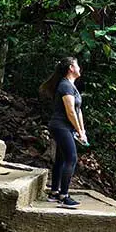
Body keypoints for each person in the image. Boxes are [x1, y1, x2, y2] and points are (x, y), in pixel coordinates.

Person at [39, 56, 87, 208]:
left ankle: (54, 192)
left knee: (61, 159)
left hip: (66, 127)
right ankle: (64, 196)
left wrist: (82, 130)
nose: (79, 67)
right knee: (71, 158)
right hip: (60, 126)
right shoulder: (65, 86)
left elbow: (78, 111)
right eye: (77, 65)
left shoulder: (72, 87)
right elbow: (70, 111)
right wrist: (79, 131)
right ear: (71, 68)